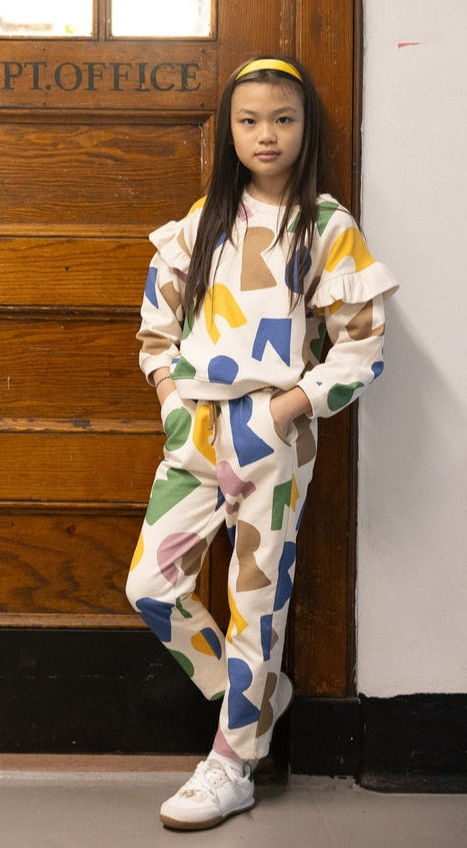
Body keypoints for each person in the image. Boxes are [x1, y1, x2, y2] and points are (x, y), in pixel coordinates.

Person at [125, 56, 398, 831]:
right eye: (249, 121)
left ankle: (233, 763)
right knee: (151, 587)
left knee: (256, 602)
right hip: (193, 431)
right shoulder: (204, 219)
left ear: (305, 127)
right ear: (230, 132)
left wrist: (285, 411)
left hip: (271, 435)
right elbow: (155, 329)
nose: (266, 134)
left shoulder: (328, 226)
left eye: (283, 119)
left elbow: (362, 344)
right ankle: (252, 700)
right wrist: (171, 401)